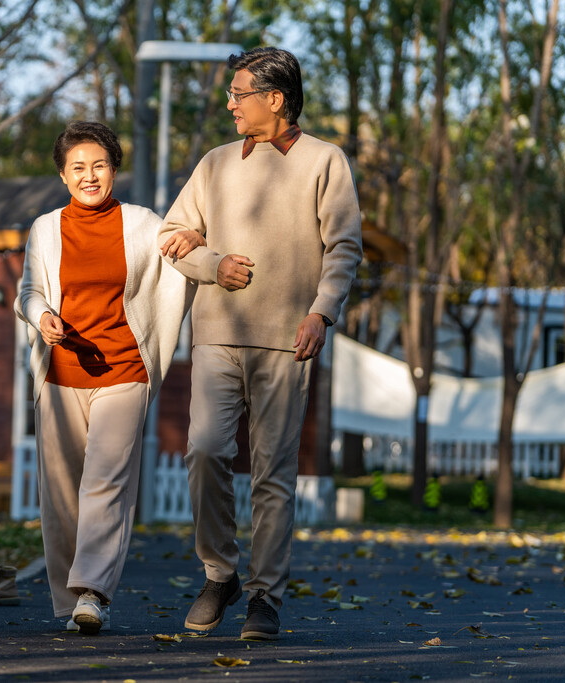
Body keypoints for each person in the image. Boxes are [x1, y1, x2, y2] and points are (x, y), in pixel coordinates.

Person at [158, 47, 363, 640]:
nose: (230, 104)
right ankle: (219, 572)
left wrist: (322, 313)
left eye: (239, 94)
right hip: (217, 334)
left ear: (275, 99)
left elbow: (344, 247)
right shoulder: (216, 164)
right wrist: (211, 263)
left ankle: (264, 596)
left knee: (273, 473)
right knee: (204, 450)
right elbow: (173, 234)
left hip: (288, 340)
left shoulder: (326, 162)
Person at [16, 121, 200, 635]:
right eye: (78, 167)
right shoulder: (44, 229)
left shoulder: (141, 223)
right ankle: (66, 601)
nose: (89, 176)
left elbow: (180, 251)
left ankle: (92, 593)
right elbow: (27, 291)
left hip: (124, 370)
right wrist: (41, 316)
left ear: (114, 170)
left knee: (106, 482)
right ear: (63, 174)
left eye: (99, 165)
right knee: (60, 494)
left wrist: (195, 239)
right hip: (59, 375)